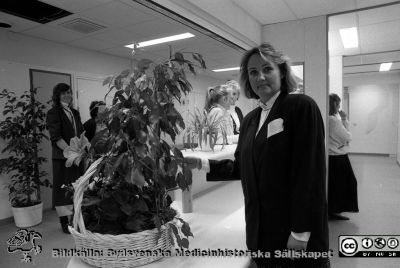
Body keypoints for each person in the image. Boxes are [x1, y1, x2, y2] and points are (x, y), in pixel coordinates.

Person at [185, 43, 329, 267]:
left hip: (294, 230)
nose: (260, 77)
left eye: (267, 69)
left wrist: (300, 232)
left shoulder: (300, 106)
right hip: (260, 229)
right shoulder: (251, 119)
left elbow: (310, 174)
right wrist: (202, 163)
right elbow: (244, 167)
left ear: (281, 71)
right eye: (253, 72)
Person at [46, 83, 84, 234]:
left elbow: (80, 133)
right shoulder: (53, 112)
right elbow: (56, 137)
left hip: (77, 156)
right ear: (57, 96)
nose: (67, 95)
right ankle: (64, 222)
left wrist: (82, 151)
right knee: (62, 190)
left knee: (77, 187)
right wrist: (71, 153)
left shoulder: (74, 112)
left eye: (68, 92)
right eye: (63, 93)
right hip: (63, 158)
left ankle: (75, 218)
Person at [328, 93, 359, 220]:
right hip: (337, 157)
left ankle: (334, 210)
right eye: (338, 104)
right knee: (344, 184)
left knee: (336, 184)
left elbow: (345, 136)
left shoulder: (330, 118)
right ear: (333, 104)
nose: (339, 107)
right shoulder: (333, 120)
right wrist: (344, 120)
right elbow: (348, 137)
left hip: (334, 156)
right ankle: (334, 211)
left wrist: (344, 119)